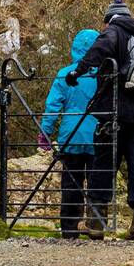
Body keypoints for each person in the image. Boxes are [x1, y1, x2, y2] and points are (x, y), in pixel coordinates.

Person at [66, 0, 134, 240]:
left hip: (115, 113)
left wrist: (77, 72)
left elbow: (97, 52)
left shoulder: (113, 33)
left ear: (108, 20)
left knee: (103, 166)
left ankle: (96, 224)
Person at [38, 29, 99, 239]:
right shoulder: (104, 74)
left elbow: (52, 106)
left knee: (71, 184)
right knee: (96, 183)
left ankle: (69, 229)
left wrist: (45, 134)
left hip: (70, 136)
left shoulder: (65, 74)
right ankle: (96, 226)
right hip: (97, 137)